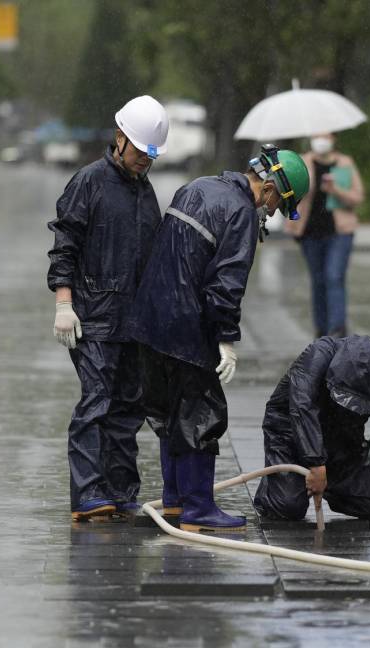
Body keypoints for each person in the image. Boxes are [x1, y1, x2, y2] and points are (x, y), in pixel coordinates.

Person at [127, 145, 310, 532]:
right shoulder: (241, 213)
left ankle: (176, 500)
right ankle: (198, 508)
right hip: (187, 326)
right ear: (271, 190)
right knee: (201, 415)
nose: (271, 212)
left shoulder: (199, 186)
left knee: (169, 413)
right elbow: (226, 285)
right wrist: (225, 339)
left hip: (148, 319)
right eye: (277, 205)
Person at [47, 95, 170, 521]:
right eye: (139, 153)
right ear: (120, 139)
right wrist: (64, 303)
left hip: (132, 324)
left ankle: (120, 492)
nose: (144, 162)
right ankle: (87, 494)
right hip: (93, 319)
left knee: (127, 410)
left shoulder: (146, 192)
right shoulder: (89, 183)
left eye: (151, 156)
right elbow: (65, 246)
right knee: (95, 404)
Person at [253, 335, 370, 521]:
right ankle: (280, 486)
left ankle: (327, 483)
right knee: (287, 507)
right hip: (290, 431)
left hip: (342, 436)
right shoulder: (318, 355)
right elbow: (302, 408)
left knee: (369, 505)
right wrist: (316, 463)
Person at [287, 132, 365, 337]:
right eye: (317, 136)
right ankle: (321, 331)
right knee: (318, 281)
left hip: (339, 232)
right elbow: (288, 194)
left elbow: (357, 197)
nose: (321, 140)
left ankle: (338, 329)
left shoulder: (345, 163)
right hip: (309, 232)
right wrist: (306, 185)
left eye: (326, 136)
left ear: (333, 139)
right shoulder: (301, 162)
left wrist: (335, 189)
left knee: (334, 276)